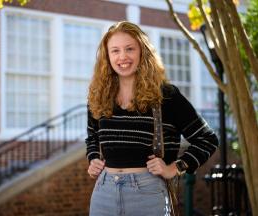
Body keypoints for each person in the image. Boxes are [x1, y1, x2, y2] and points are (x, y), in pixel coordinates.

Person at [85, 21, 219, 216]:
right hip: (103, 192)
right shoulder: (98, 95)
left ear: (142, 52)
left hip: (147, 193)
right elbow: (92, 136)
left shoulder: (166, 95)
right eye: (115, 51)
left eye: (129, 49)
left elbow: (208, 140)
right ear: (107, 56)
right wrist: (93, 158)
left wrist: (175, 168)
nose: (122, 57)